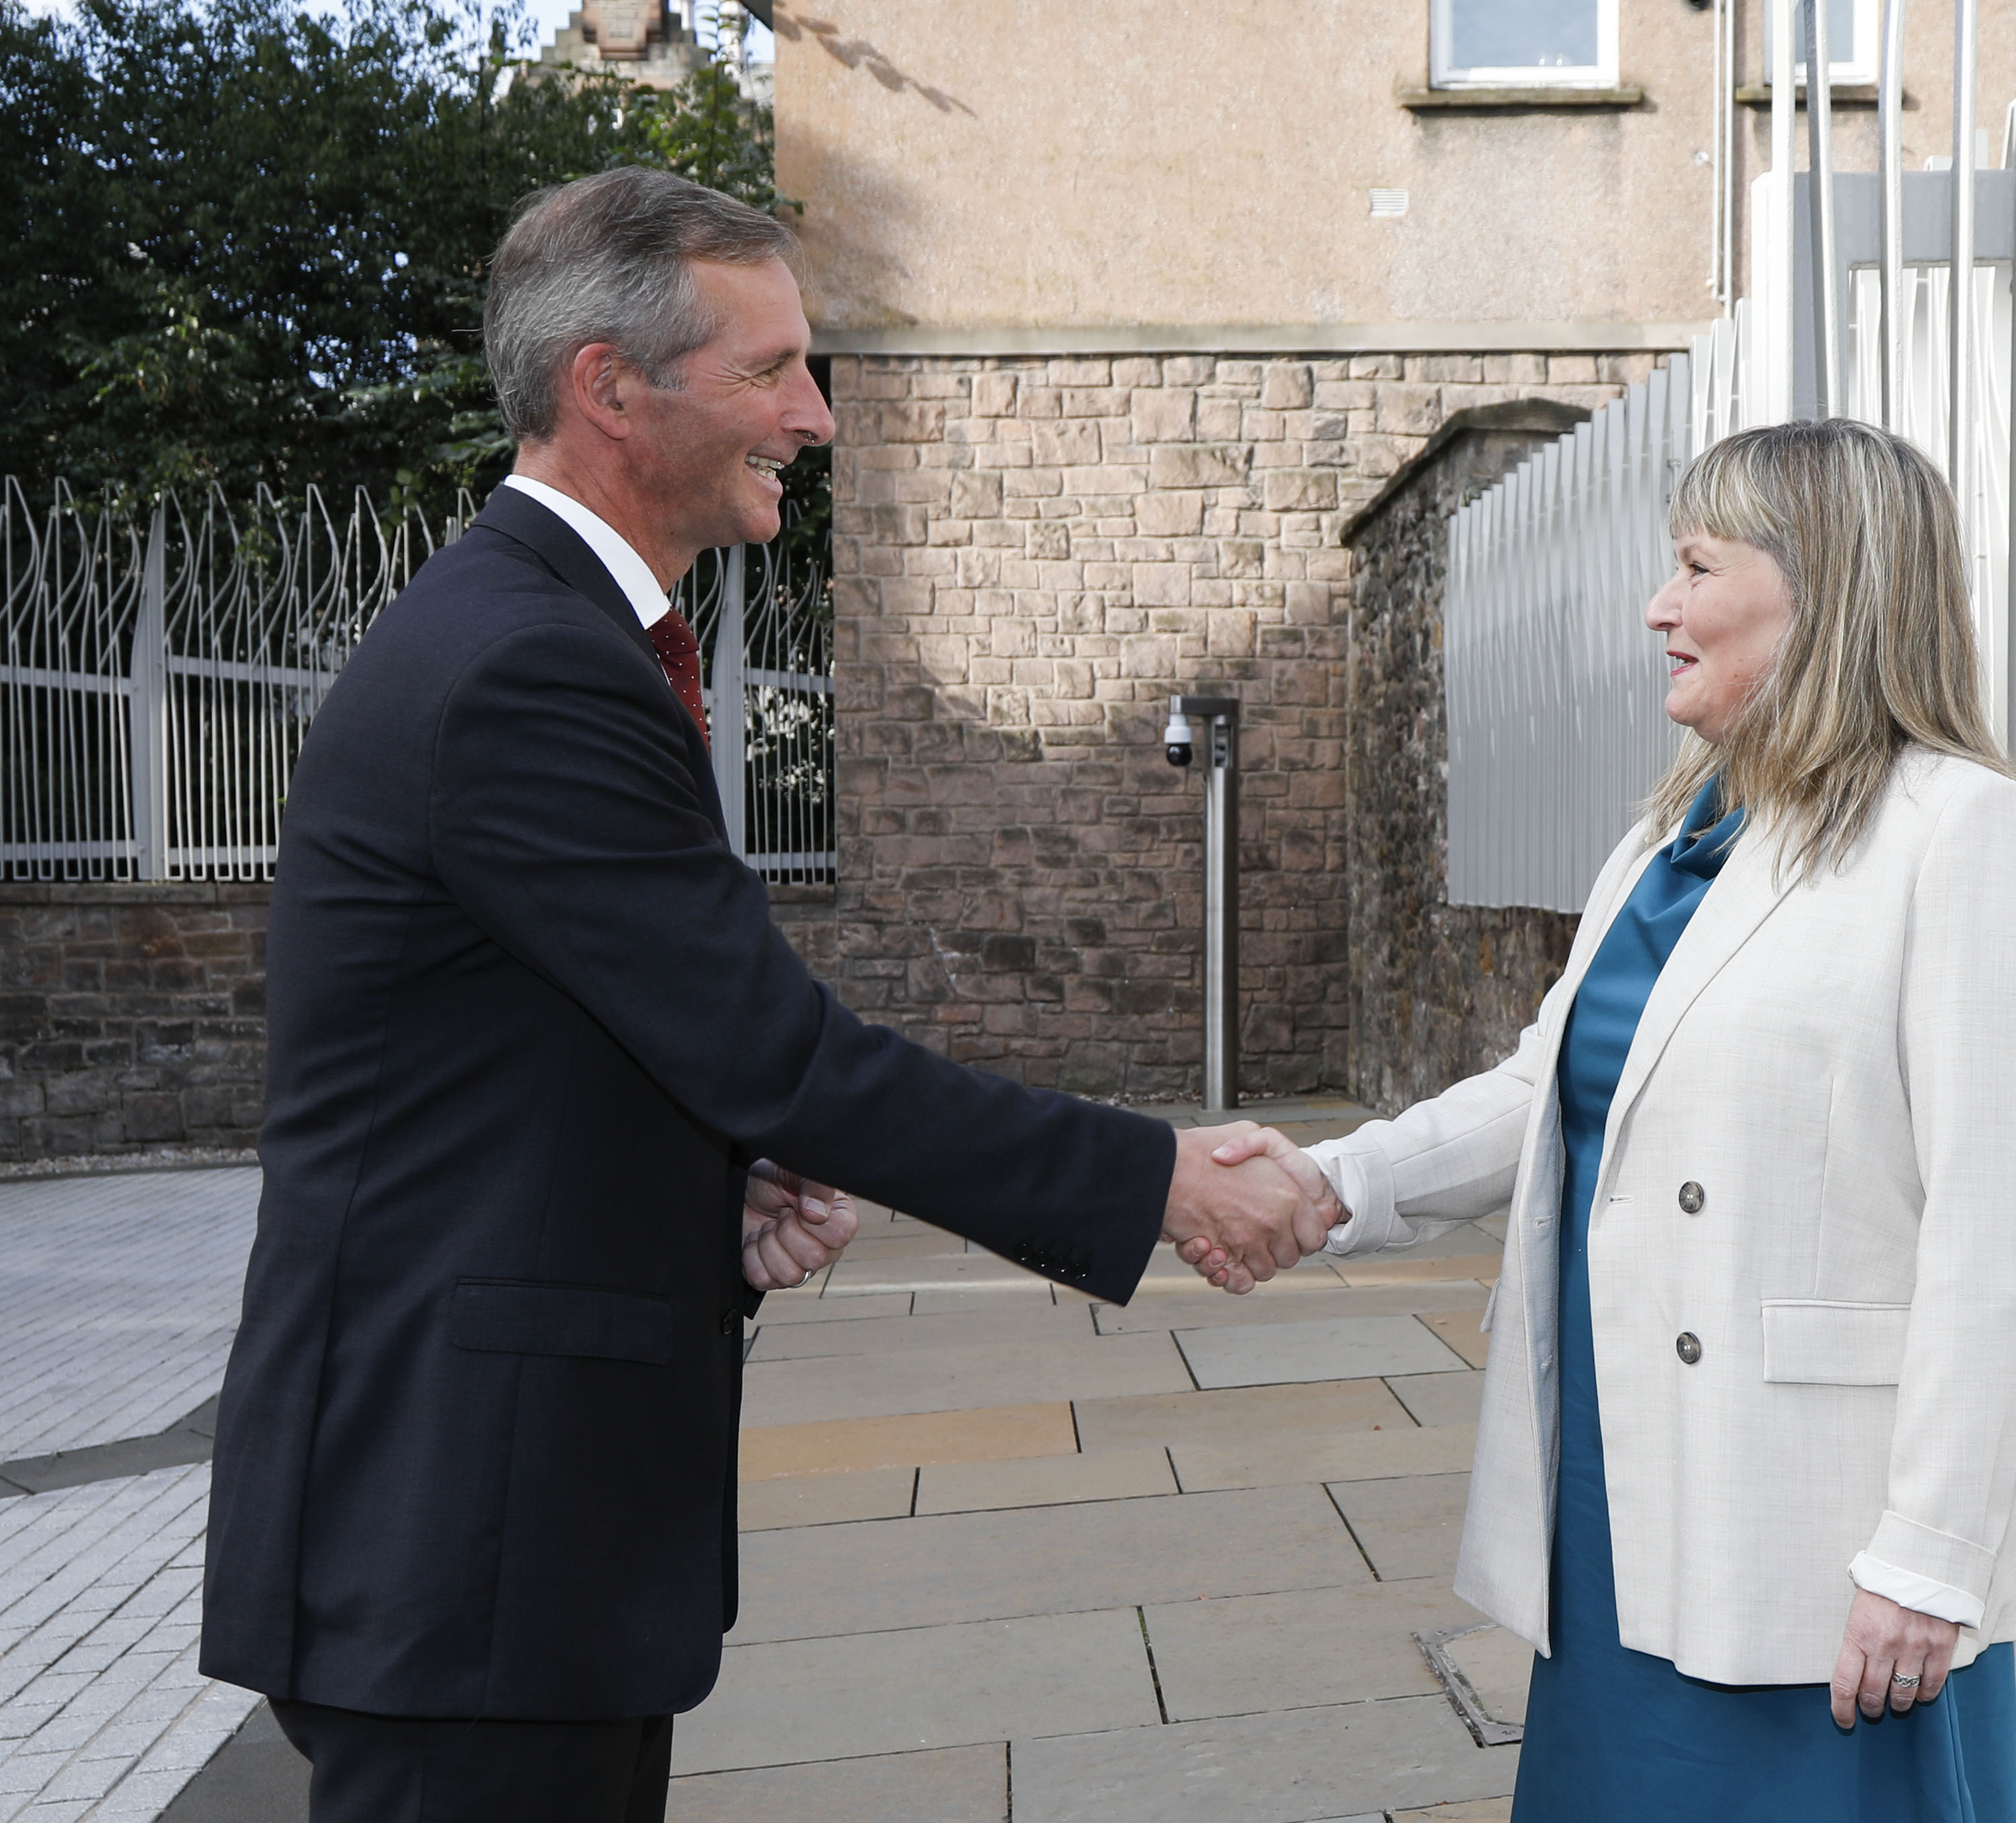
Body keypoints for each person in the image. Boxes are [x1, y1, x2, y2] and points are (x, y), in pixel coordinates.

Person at [202, 166, 1332, 1823]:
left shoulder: (540, 629)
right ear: (608, 385)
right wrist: (1151, 1176)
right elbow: (772, 1045)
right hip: (462, 1528)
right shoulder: (528, 662)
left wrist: (703, 1180)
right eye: (771, 371)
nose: (811, 414)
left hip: (498, 1528)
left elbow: (521, 1052)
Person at [1203, 419, 2016, 1820]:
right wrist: (1323, 1182)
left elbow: (1986, 1238)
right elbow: (1536, 1088)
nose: (1658, 607)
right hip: (1617, 1483)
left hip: (1815, 1524)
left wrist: (1925, 1551)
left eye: (1693, 566)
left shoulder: (1955, 832)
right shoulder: (1667, 837)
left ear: (1824, 591)